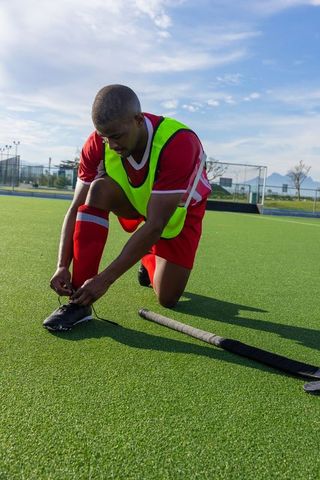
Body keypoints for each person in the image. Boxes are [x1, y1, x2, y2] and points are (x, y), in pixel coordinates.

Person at [43, 84, 211, 331]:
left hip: (175, 214)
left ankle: (149, 261)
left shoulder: (179, 143)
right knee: (97, 189)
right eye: (104, 137)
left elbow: (155, 225)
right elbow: (75, 207)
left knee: (168, 299)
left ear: (138, 120)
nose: (111, 145)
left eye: (117, 136)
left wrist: (104, 281)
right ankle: (79, 302)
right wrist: (61, 265)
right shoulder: (96, 143)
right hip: (133, 200)